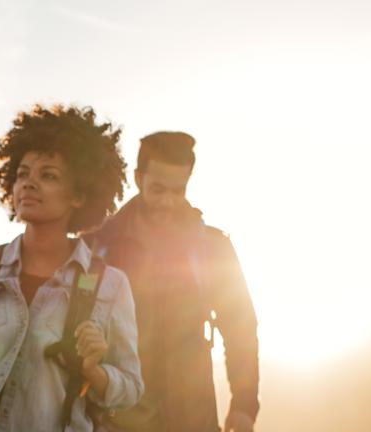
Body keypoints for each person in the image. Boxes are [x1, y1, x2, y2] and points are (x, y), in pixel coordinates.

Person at [0, 104, 143, 432]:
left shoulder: (109, 285)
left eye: (48, 175)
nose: (28, 184)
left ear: (79, 196)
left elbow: (130, 389)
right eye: (23, 173)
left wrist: (94, 370)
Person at [85, 131, 260, 432]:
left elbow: (240, 327)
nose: (168, 201)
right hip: (115, 423)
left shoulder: (212, 247)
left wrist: (244, 405)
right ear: (138, 178)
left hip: (195, 421)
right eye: (158, 189)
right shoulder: (97, 247)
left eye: (178, 191)